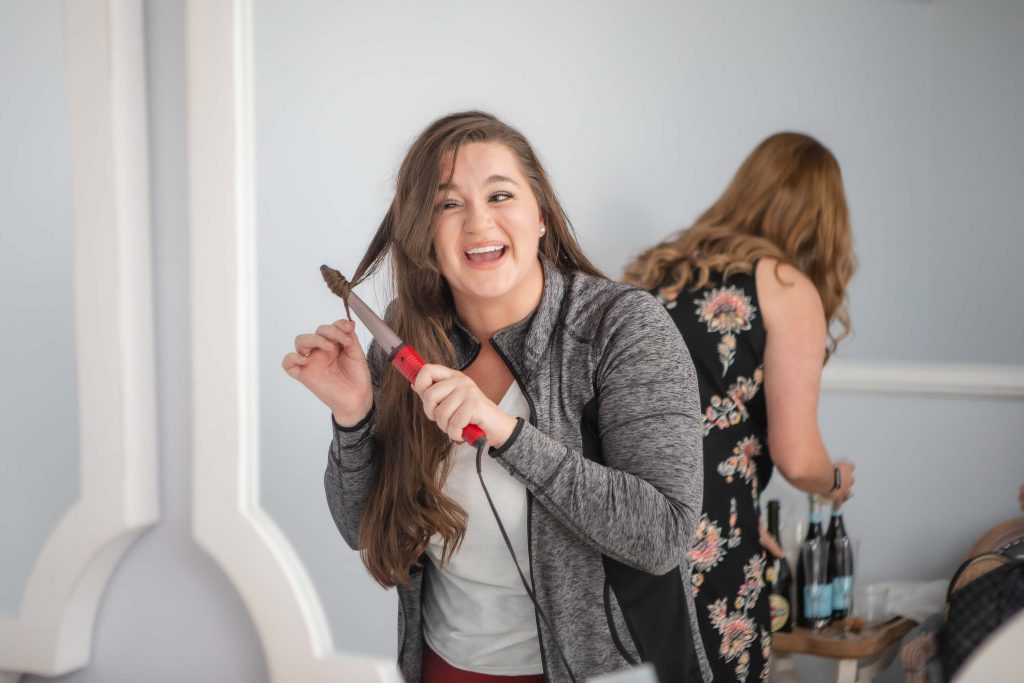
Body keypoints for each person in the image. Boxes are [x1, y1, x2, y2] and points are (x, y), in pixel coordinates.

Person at [282, 111, 712, 683]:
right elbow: (364, 528)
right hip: (446, 668)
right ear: (423, 237)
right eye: (447, 204)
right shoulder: (403, 335)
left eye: (501, 195)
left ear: (540, 216)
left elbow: (662, 534)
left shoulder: (622, 327)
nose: (478, 222)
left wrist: (509, 435)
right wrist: (354, 416)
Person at [623, 132, 858, 682]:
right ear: (823, 220)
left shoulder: (655, 274)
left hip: (623, 522)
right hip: (709, 538)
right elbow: (798, 458)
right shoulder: (784, 286)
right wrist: (833, 479)